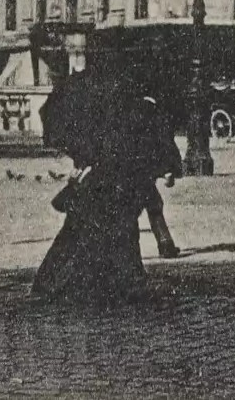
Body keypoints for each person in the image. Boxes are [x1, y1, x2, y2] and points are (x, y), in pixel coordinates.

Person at [29, 71, 155, 304]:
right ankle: (124, 283)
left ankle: (54, 281)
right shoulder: (122, 111)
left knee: (81, 231)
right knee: (116, 231)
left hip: (100, 179)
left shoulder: (93, 110)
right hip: (108, 181)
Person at [136, 92, 186, 260]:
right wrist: (168, 170)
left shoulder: (132, 111)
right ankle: (165, 245)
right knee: (153, 204)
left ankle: (166, 244)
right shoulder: (156, 114)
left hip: (133, 168)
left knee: (151, 204)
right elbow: (165, 143)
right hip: (141, 170)